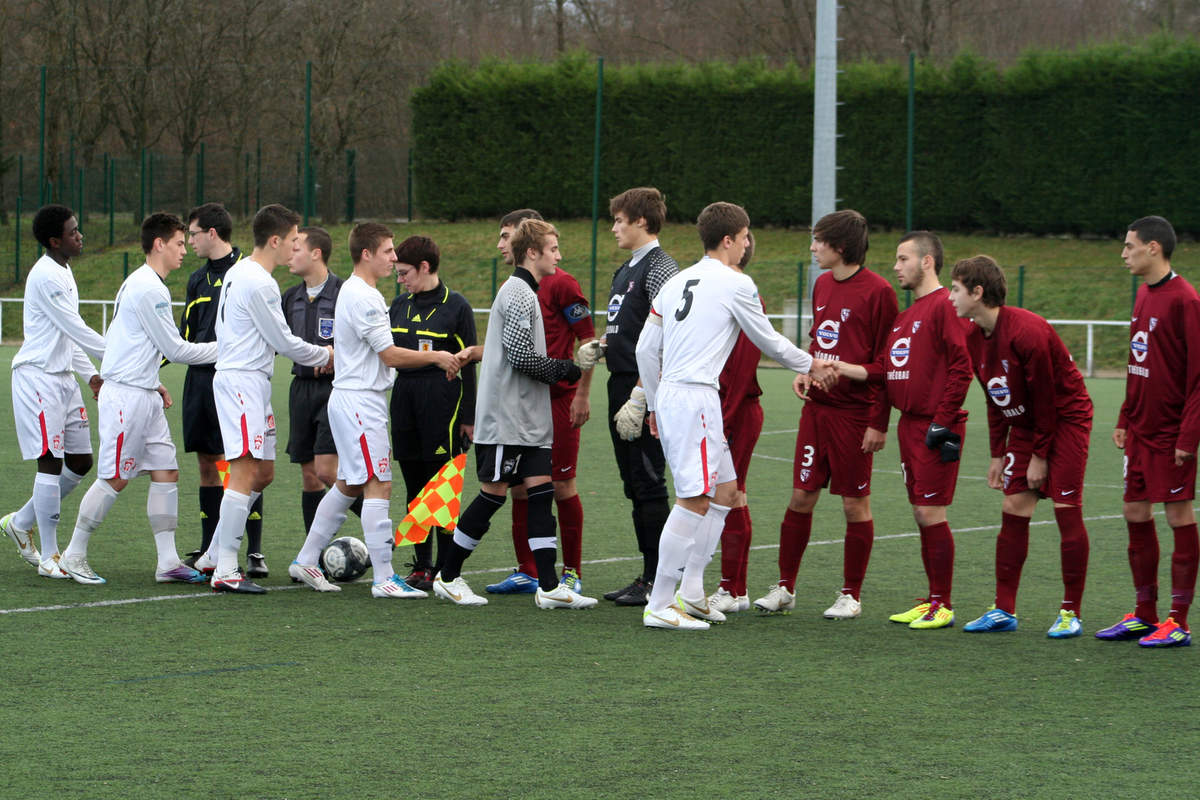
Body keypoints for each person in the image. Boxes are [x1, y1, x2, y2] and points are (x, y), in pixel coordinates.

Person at [635, 202, 833, 631]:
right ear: (729, 240)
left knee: (725, 493)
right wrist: (811, 364)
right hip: (696, 397)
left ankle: (690, 592)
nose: (747, 245)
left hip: (675, 394)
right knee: (694, 499)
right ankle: (661, 602)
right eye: (745, 237)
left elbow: (645, 351)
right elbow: (768, 339)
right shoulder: (735, 283)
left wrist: (653, 404)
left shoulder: (675, 281)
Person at [432, 218, 599, 610]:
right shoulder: (519, 293)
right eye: (553, 248)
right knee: (493, 496)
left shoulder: (527, 290)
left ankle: (550, 586)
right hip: (507, 421)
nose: (558, 255)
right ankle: (449, 575)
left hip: (527, 421)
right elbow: (522, 358)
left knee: (541, 495)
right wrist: (568, 368)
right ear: (533, 253)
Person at [290, 223, 461, 597]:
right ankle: (384, 578)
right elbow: (389, 355)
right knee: (377, 483)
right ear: (366, 254)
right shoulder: (363, 296)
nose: (394, 257)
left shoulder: (359, 292)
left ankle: (306, 558)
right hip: (360, 403)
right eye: (387, 251)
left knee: (350, 483)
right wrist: (437, 358)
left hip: (354, 399)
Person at [56, 213, 220, 585]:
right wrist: (229, 349)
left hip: (142, 393)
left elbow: (123, 342)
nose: (184, 250)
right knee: (114, 477)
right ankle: (73, 554)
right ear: (159, 244)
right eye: (179, 243)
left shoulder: (147, 285)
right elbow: (176, 349)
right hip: (126, 398)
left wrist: (153, 381)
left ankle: (167, 562)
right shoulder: (147, 288)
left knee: (166, 472)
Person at [753, 210, 898, 619]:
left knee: (855, 505)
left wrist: (878, 422)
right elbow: (820, 342)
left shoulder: (879, 292)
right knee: (801, 496)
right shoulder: (820, 284)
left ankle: (850, 594)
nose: (813, 248)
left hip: (855, 414)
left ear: (841, 246)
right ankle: (785, 587)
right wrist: (805, 372)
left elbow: (888, 363)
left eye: (818, 241)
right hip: (817, 411)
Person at [949, 255, 1093, 638]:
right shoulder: (971, 335)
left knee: (1066, 509)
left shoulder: (1027, 331)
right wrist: (998, 453)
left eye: (956, 289)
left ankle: (1070, 612)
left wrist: (1039, 457)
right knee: (1013, 503)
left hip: (1065, 420)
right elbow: (994, 396)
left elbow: (1047, 399)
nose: (950, 297)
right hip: (1027, 424)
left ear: (978, 293)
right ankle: (1003, 610)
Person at [834, 231, 972, 630]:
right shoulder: (907, 315)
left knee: (932, 511)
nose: (895, 266)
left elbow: (962, 367)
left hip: (933, 426)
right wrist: (880, 420)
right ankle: (932, 600)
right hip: (909, 426)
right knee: (920, 512)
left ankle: (942, 604)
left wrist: (942, 421)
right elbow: (888, 373)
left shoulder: (946, 306)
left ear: (927, 262)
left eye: (903, 259)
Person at [192, 204, 333, 593]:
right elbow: (284, 341)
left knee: (263, 473)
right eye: (292, 240)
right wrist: (328, 356)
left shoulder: (242, 271)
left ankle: (211, 556)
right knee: (241, 471)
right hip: (242, 384)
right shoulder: (259, 282)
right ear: (275, 240)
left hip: (251, 382)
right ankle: (225, 568)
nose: (295, 247)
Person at [1097, 215, 1200, 648]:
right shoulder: (1142, 294)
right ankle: (1144, 614)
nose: (1124, 254)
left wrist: (1187, 439)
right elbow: (1140, 363)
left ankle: (1178, 620)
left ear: (1153, 248)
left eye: (1129, 246)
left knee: (1178, 515)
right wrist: (1124, 415)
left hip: (1171, 433)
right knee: (1134, 513)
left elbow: (1197, 376)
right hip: (1139, 431)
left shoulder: (1185, 300)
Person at [486, 209, 597, 595]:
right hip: (523, 403)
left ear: (525, 242)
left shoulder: (563, 284)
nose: (500, 244)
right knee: (520, 487)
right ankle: (528, 570)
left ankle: (572, 572)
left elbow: (589, 341)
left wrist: (581, 392)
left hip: (559, 402)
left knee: (562, 485)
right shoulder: (517, 287)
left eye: (505, 236)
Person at [1, 204, 105, 577]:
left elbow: (68, 333)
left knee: (81, 462)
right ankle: (49, 556)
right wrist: (124, 354)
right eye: (74, 231)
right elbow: (76, 328)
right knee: (50, 459)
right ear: (54, 240)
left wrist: (91, 374)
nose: (80, 236)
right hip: (38, 378)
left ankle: (20, 522)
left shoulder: (65, 270)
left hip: (63, 379)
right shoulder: (45, 275)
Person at [179, 202, 267, 578]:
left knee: (243, 464)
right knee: (207, 464)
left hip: (238, 380)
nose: (189, 242)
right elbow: (185, 335)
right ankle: (208, 548)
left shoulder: (247, 272)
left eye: (193, 234)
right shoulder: (196, 280)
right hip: (201, 380)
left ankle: (254, 551)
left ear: (212, 233)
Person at [602, 187, 678, 606]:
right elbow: (632, 328)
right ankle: (648, 575)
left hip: (644, 387)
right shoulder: (626, 268)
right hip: (621, 383)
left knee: (649, 483)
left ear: (642, 222)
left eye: (619, 220)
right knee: (634, 484)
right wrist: (604, 343)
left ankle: (659, 578)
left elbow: (668, 336)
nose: (614, 227)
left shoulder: (661, 268)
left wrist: (641, 393)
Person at [388, 234, 477, 591]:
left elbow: (470, 365)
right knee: (413, 484)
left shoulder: (457, 306)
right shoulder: (397, 306)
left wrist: (469, 417)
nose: (400, 278)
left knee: (440, 484)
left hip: (443, 401)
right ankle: (421, 564)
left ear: (425, 267)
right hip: (404, 397)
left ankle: (444, 567)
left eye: (405, 272)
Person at [281, 226, 356, 535]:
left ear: (316, 253)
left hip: (334, 391)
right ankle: (315, 552)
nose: (289, 255)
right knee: (310, 475)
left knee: (328, 471)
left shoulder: (345, 293)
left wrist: (339, 356)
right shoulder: (289, 297)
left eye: (296, 248)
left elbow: (365, 341)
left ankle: (379, 529)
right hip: (300, 389)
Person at [706, 232, 765, 614]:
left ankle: (732, 588)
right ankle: (734, 588)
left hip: (736, 411)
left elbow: (743, 366)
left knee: (731, 495)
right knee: (727, 495)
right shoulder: (722, 291)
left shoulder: (744, 293)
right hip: (721, 409)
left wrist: (722, 421)